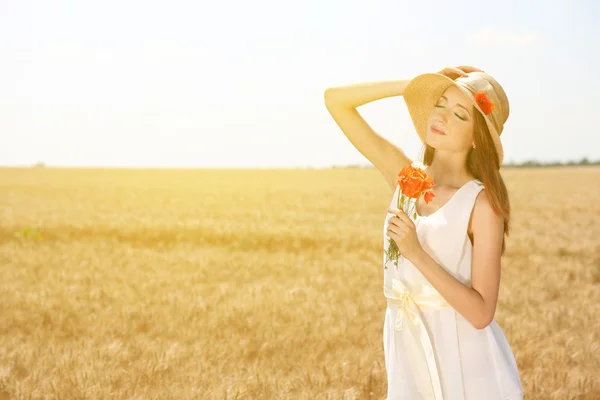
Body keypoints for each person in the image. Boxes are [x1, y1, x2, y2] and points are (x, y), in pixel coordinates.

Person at [324, 65, 524, 400]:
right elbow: (335, 101)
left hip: (462, 355)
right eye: (440, 104)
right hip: (406, 340)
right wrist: (411, 86)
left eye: (459, 115)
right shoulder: (406, 178)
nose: (441, 117)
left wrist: (416, 253)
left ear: (476, 137)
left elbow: (481, 313)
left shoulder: (481, 203)